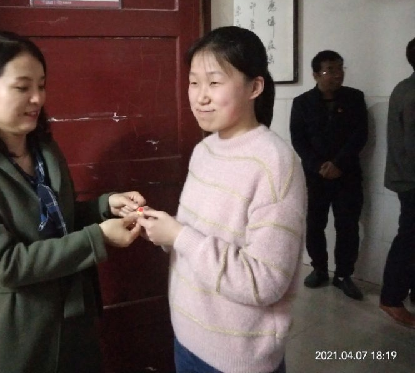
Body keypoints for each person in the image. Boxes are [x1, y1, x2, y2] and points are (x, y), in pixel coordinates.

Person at [0, 30, 145, 373]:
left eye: (41, 86)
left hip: (73, 324)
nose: (37, 98)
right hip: (14, 335)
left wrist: (105, 207)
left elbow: (55, 223)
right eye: (22, 88)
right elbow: (6, 265)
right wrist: (99, 237)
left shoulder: (44, 151)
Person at [137, 26, 306, 373]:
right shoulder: (205, 150)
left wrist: (179, 236)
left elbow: (265, 281)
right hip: (187, 337)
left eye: (214, 82)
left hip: (237, 357)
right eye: (194, 82)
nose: (200, 96)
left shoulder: (275, 164)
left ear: (254, 87)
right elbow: (193, 238)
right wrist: (160, 229)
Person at [290, 50, 368, 300]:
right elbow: (298, 140)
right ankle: (319, 269)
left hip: (347, 174)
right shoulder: (302, 103)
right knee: (315, 224)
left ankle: (344, 275)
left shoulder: (355, 98)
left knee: (347, 226)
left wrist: (338, 164)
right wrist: (319, 165)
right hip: (315, 176)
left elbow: (360, 135)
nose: (337, 75)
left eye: (340, 68)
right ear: (315, 75)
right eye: (330, 70)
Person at [379, 36, 415, 328]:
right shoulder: (411, 92)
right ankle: (391, 298)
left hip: (407, 176)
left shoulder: (404, 87)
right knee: (408, 239)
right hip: (412, 179)